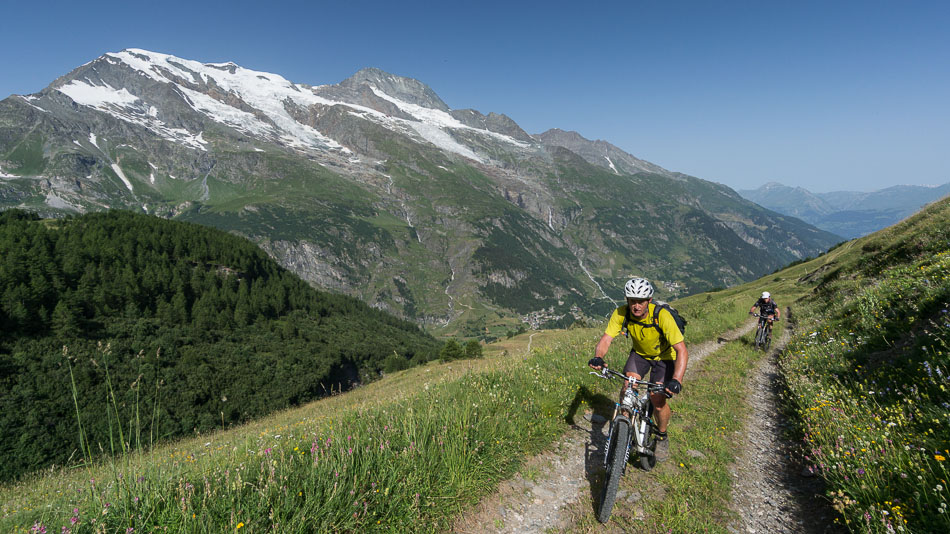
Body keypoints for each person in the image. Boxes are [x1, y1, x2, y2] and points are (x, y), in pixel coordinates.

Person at [588, 277, 688, 462]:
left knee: (657, 399)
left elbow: (681, 350)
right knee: (627, 388)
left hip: (664, 358)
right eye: (632, 301)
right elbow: (606, 339)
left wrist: (677, 380)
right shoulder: (621, 313)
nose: (636, 306)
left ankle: (662, 436)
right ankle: (623, 432)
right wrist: (599, 357)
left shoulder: (661, 316)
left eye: (641, 301)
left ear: (649, 301)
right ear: (627, 300)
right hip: (640, 355)